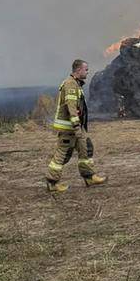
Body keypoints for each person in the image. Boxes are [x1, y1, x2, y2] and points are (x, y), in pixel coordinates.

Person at [46, 59, 107, 192]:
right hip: (69, 128)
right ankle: (52, 183)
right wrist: (76, 127)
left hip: (76, 128)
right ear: (78, 70)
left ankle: (89, 177)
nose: (87, 72)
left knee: (86, 148)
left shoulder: (76, 84)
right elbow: (71, 107)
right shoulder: (70, 85)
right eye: (86, 69)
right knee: (63, 153)